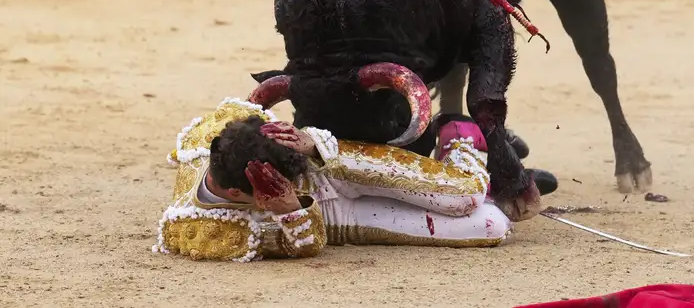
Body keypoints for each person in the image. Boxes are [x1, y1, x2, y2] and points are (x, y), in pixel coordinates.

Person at [153, 97, 516, 262]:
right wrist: (290, 209)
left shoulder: (209, 137)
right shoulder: (198, 228)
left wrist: (311, 146)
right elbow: (307, 246)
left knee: (467, 192)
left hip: (330, 165)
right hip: (337, 221)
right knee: (491, 225)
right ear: (235, 192)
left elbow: (250, 109)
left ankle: (459, 137)